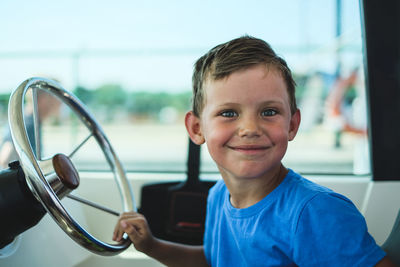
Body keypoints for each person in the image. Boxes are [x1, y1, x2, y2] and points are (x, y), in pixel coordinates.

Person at [113, 36, 394, 266]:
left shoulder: (316, 212)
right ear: (197, 128)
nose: (250, 128)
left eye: (269, 111)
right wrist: (150, 245)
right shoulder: (218, 195)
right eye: (229, 113)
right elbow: (213, 262)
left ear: (292, 124)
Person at [0, 89, 61, 168]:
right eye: (56, 97)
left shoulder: (28, 120)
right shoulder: (28, 124)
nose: (60, 103)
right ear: (43, 100)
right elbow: (5, 160)